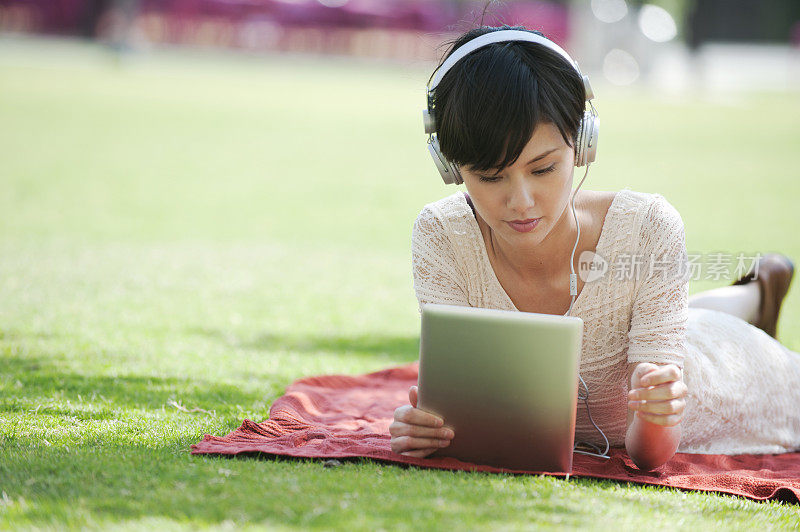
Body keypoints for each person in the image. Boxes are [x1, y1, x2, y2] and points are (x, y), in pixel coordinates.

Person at [388, 25, 798, 471]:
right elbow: (459, 411)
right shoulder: (442, 235)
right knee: (659, 317)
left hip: (732, 371)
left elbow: (648, 455)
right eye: (490, 177)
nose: (521, 202)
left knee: (688, 333)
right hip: (660, 319)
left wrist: (657, 414)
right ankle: (756, 293)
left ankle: (755, 298)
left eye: (543, 169)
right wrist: (426, 426)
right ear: (450, 167)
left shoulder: (646, 229)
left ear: (583, 143)